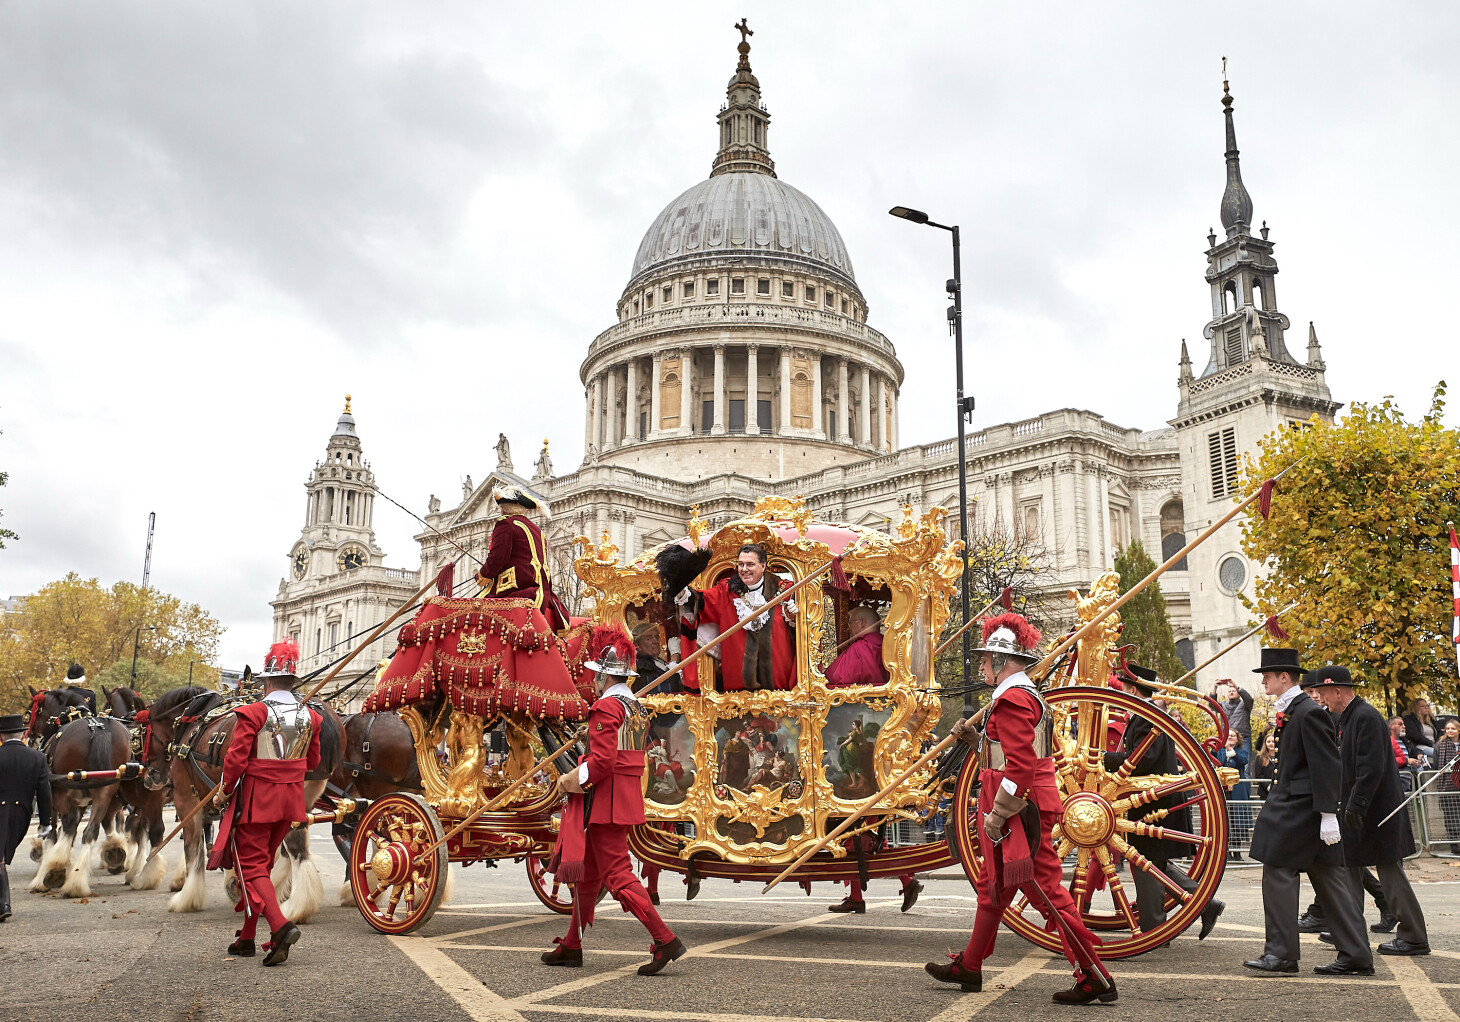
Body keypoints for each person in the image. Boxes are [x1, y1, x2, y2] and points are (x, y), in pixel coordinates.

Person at [927, 613, 1114, 1005]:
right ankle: (971, 965)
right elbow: (1007, 752)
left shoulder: (1012, 698)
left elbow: (1020, 765)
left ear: (1002, 662)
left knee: (1046, 891)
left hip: (1016, 810)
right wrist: (975, 737)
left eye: (985, 660)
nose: (981, 666)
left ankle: (1095, 974)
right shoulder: (1022, 694)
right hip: (1022, 804)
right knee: (992, 887)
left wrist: (997, 813)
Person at [542, 625, 685, 975]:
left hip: (604, 801)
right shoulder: (632, 704)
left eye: (595, 676)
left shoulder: (607, 707)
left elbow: (603, 762)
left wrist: (570, 780)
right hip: (623, 797)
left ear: (605, 677)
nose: (592, 682)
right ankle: (572, 945)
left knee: (618, 875)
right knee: (589, 876)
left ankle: (665, 939)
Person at [1243, 648, 1372, 976]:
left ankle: (1282, 955)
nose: (1264, 681)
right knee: (1330, 882)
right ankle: (1356, 955)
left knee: (1277, 873)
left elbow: (1328, 764)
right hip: (1299, 809)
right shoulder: (1294, 709)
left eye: (1267, 676)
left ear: (1284, 677)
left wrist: (1329, 814)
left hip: (1300, 811)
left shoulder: (1307, 711)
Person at [207, 639, 321, 966]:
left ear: (267, 681)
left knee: (251, 866)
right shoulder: (311, 717)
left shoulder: (254, 712)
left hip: (257, 799)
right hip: (290, 802)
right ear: (292, 682)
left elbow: (235, 760)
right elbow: (312, 761)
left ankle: (280, 927)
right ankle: (246, 937)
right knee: (262, 866)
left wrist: (224, 791)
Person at [1302, 666, 1428, 956]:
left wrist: (1356, 805)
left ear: (1337, 691)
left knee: (1389, 873)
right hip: (1361, 811)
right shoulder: (1350, 717)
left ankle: (1413, 936)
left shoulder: (1365, 717)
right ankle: (1348, 931)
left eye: (1323, 692)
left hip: (1375, 812)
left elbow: (1369, 768)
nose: (1320, 697)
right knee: (1349, 870)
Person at [1104, 664, 1224, 939]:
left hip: (1155, 804)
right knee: (1152, 861)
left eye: (1124, 687)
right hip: (1153, 802)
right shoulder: (1145, 716)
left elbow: (1142, 760)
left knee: (1145, 860)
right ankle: (1205, 903)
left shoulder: (1146, 718)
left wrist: (1104, 759)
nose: (1121, 692)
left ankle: (1154, 929)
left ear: (1133, 689)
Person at [679, 544, 797, 692]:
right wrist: (683, 592)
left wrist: (793, 616)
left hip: (779, 686)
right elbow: (703, 600)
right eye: (741, 564)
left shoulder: (786, 590)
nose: (744, 569)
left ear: (763, 566)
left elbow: (803, 630)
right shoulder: (727, 591)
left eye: (750, 564)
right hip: (737, 692)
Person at [475, 485, 569, 632]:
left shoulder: (506, 523)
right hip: (542, 588)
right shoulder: (536, 529)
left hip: (517, 586)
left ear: (504, 508)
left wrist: (483, 575)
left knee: (474, 609)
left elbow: (497, 558)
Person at [0, 713, 52, 922]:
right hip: (21, 813)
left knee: (0, 860)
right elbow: (44, 792)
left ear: (2, 736)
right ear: (23, 734)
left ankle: (3, 903)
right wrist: (45, 823)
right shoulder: (37, 757)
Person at [825, 606, 889, 688]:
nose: (848, 628)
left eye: (850, 622)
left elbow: (837, 680)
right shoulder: (887, 644)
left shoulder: (860, 648)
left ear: (862, 622)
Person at [1216, 729, 1251, 861]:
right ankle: (1227, 852)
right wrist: (1225, 750)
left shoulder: (1241, 751)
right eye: (1228, 735)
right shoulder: (1219, 751)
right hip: (1224, 790)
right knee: (1225, 821)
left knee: (1238, 822)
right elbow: (1218, 762)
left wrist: (1232, 751)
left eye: (1233, 736)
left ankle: (1237, 852)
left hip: (1237, 790)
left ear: (1237, 738)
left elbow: (1243, 761)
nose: (1230, 737)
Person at [1435, 719, 1460, 856]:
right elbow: (1436, 763)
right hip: (1447, 785)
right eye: (1448, 728)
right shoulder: (1440, 745)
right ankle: (1454, 843)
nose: (1450, 731)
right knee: (1450, 815)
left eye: (1453, 728)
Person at [1216, 679, 1254, 757]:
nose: (1231, 692)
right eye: (1229, 691)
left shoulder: (1244, 705)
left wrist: (1236, 686)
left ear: (1239, 693)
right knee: (1226, 764)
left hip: (1243, 739)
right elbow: (1212, 704)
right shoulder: (1223, 705)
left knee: (1245, 765)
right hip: (1227, 739)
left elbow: (1249, 699)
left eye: (1234, 691)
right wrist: (1214, 688)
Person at [1250, 730, 1278, 799]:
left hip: (1279, 791)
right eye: (1268, 742)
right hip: (1265, 792)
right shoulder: (1260, 757)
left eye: (1273, 741)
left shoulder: (1282, 756)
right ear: (1265, 743)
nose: (1271, 744)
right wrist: (1268, 786)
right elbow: (1259, 775)